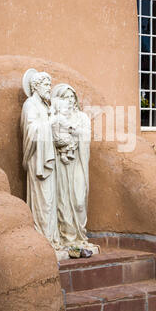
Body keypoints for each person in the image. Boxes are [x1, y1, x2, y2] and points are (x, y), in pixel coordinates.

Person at [51, 83, 98, 252]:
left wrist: (74, 132)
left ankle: (80, 235)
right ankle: (68, 238)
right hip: (62, 165)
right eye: (65, 97)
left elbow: (86, 136)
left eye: (72, 97)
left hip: (77, 161)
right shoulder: (54, 117)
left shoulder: (82, 117)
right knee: (63, 200)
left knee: (79, 200)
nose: (70, 101)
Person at [21, 70, 60, 250]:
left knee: (50, 200)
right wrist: (49, 123)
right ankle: (43, 239)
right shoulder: (30, 104)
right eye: (46, 85)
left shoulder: (45, 106)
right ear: (36, 86)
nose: (49, 88)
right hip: (38, 160)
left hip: (49, 159)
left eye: (49, 85)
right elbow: (30, 131)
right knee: (42, 201)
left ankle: (51, 238)